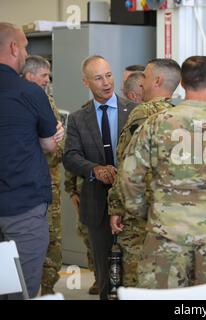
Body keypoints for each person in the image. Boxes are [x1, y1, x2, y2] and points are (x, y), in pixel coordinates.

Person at [116, 56, 206, 289]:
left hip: (165, 238)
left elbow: (129, 175)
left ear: (182, 84)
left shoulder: (155, 124)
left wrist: (146, 212)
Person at [63, 55, 136, 300]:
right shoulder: (77, 118)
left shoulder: (134, 111)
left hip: (132, 203)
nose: (106, 82)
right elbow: (70, 156)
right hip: (96, 205)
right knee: (105, 274)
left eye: (108, 75)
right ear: (86, 82)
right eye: (98, 78)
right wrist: (94, 169)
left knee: (134, 272)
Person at [0, 22, 64, 298]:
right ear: (14, 47)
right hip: (22, 207)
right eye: (25, 46)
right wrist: (52, 138)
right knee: (18, 290)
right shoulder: (29, 93)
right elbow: (50, 142)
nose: (26, 53)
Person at [108, 58, 181, 287]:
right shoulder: (182, 115)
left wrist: (116, 207)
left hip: (140, 214)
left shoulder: (141, 113)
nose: (142, 85)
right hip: (171, 214)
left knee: (135, 278)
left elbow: (125, 164)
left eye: (146, 79)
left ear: (157, 81)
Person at [22, 55, 64, 295]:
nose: (48, 80)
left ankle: (47, 292)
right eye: (44, 76)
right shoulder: (18, 99)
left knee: (52, 244)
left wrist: (58, 139)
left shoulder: (47, 100)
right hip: (26, 187)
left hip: (50, 184)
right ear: (30, 76)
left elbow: (58, 144)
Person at [64, 170, 98, 295]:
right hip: (86, 194)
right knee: (91, 241)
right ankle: (99, 278)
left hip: (116, 190)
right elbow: (71, 162)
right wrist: (72, 192)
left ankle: (117, 279)